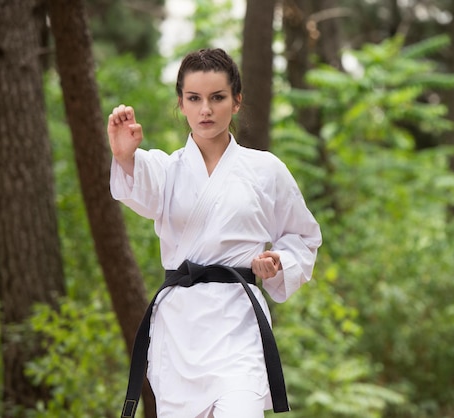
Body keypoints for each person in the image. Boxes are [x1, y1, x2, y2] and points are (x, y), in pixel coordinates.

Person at [108, 48, 322, 418]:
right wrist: (125, 156)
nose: (205, 109)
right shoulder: (166, 169)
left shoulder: (265, 170)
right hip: (180, 332)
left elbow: (302, 236)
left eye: (217, 97)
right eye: (194, 98)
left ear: (236, 102)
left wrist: (278, 260)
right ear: (182, 104)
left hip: (239, 325)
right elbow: (134, 182)